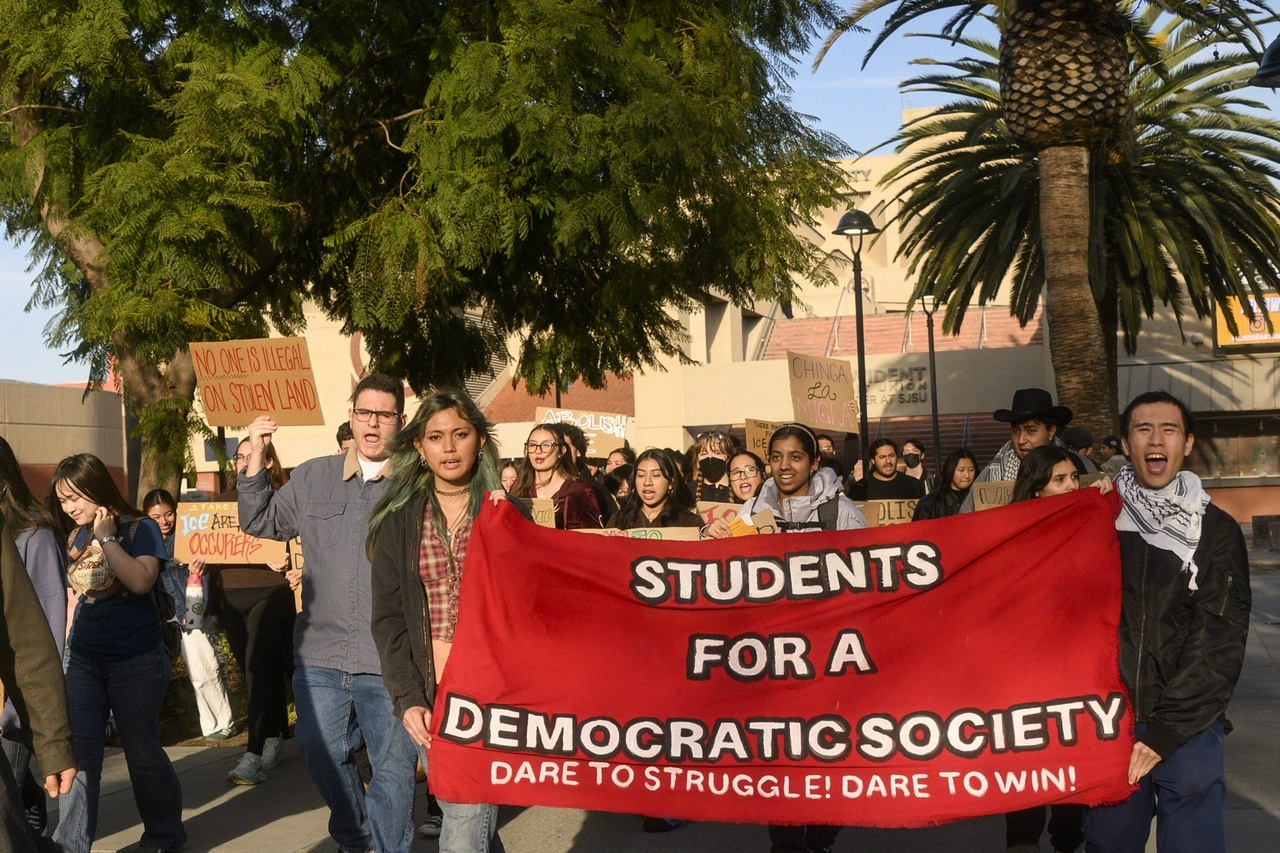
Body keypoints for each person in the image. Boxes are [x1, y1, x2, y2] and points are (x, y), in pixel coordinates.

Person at [238, 373, 417, 853]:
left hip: (391, 661)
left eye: (384, 414)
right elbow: (259, 520)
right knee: (320, 754)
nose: (372, 424)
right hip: (319, 654)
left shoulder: (419, 485)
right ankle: (357, 838)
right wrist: (256, 453)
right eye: (364, 413)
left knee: (394, 770)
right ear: (352, 415)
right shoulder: (314, 475)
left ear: (401, 421)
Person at [1083, 391, 1251, 853]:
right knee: (1109, 842)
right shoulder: (1096, 519)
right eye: (1143, 429)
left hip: (1188, 728)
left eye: (1169, 429)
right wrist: (1075, 506)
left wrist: (1166, 732)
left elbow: (1219, 643)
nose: (1156, 439)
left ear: (1187, 443)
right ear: (1125, 442)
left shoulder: (1215, 530)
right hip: (1110, 725)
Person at [706, 424, 865, 853]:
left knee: (828, 754)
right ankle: (788, 842)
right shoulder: (750, 512)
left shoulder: (842, 511)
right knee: (782, 753)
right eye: (776, 457)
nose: (784, 466)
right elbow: (721, 577)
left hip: (831, 655)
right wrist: (713, 541)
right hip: (775, 657)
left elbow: (869, 576)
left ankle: (822, 836)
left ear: (815, 463)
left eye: (796, 457)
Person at [368, 388, 512, 853]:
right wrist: (407, 697)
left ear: (480, 441)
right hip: (430, 697)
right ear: (419, 447)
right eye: (435, 437)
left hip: (491, 697)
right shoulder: (397, 520)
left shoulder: (508, 516)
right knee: (466, 818)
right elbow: (388, 621)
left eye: (460, 434)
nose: (449, 448)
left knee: (464, 823)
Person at [51, 453, 186, 853]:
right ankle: (71, 844)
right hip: (84, 658)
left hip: (137, 659)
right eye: (62, 501)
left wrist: (107, 538)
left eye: (75, 497)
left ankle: (164, 834)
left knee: (141, 751)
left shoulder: (139, 528)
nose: (70, 507)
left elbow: (142, 581)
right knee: (79, 755)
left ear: (97, 489)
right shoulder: (73, 536)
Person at [1003, 444, 1113, 853]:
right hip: (1025, 681)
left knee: (1071, 774)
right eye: (1060, 480)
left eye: (1074, 478)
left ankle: (1066, 842)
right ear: (1036, 491)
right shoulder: (1010, 539)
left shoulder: (1092, 520)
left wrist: (1104, 509)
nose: (1071, 486)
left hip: (1076, 676)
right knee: (1027, 774)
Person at [213, 439, 297, 786]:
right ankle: (275, 733)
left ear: (268, 462)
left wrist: (290, 560)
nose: (243, 462)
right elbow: (208, 548)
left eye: (252, 456)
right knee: (258, 671)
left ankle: (252, 753)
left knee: (257, 666)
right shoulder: (219, 504)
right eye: (239, 457)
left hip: (270, 592)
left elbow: (303, 544)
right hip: (229, 594)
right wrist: (199, 564)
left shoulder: (283, 499)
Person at [0, 437, 69, 849]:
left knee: (17, 827)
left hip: (15, 709)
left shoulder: (34, 535)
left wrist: (50, 735)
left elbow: (34, 634)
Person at [141, 489, 236, 740]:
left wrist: (194, 615)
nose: (164, 521)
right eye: (156, 516)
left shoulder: (189, 536)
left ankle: (221, 722)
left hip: (189, 614)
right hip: (161, 619)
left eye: (169, 514)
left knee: (203, 669)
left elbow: (201, 580)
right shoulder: (144, 543)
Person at [962, 387, 1084, 512]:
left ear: (1051, 431)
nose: (1021, 440)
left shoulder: (1080, 464)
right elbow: (965, 517)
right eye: (1016, 431)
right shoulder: (991, 473)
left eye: (1031, 431)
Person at [511, 427, 602, 529]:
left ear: (561, 451)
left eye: (546, 445)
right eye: (532, 445)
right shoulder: (518, 489)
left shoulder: (580, 493)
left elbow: (594, 538)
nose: (538, 451)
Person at [606, 449, 702, 529]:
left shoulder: (690, 523)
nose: (647, 482)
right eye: (641, 475)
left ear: (671, 483)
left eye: (656, 475)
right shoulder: (618, 521)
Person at [846, 438, 927, 501]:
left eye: (891, 456)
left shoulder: (913, 485)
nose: (888, 461)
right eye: (882, 457)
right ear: (873, 460)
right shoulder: (860, 488)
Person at [911, 449, 977, 521]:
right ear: (950, 470)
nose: (967, 475)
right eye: (961, 470)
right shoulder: (928, 503)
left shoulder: (979, 498)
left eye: (971, 470)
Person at [686, 429, 740, 503]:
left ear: (728, 457)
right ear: (697, 460)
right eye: (704, 454)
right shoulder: (687, 493)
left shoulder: (740, 491)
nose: (710, 458)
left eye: (717, 453)